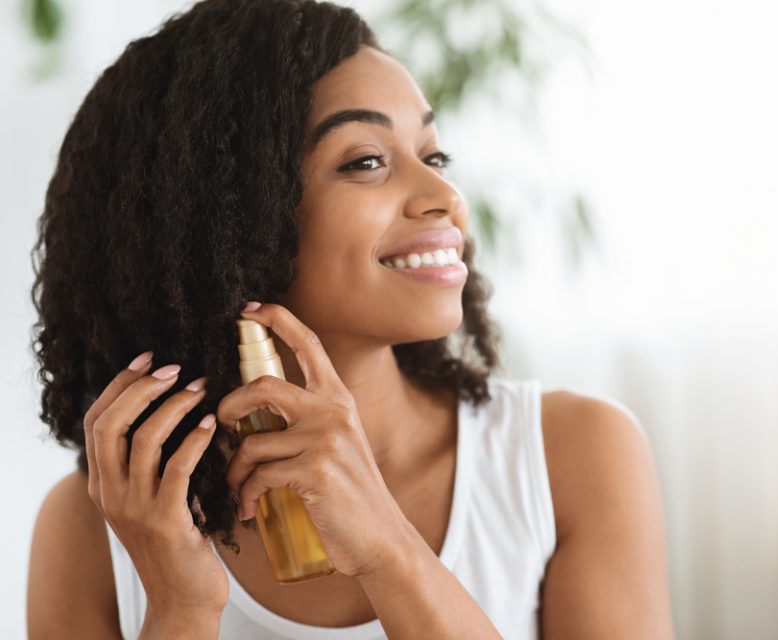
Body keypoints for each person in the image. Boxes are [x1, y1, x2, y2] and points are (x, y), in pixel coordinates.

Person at [25, 0, 675, 638]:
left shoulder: (572, 455)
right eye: (366, 161)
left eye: (434, 156)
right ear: (221, 224)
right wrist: (182, 612)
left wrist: (387, 549)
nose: (445, 196)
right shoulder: (93, 531)